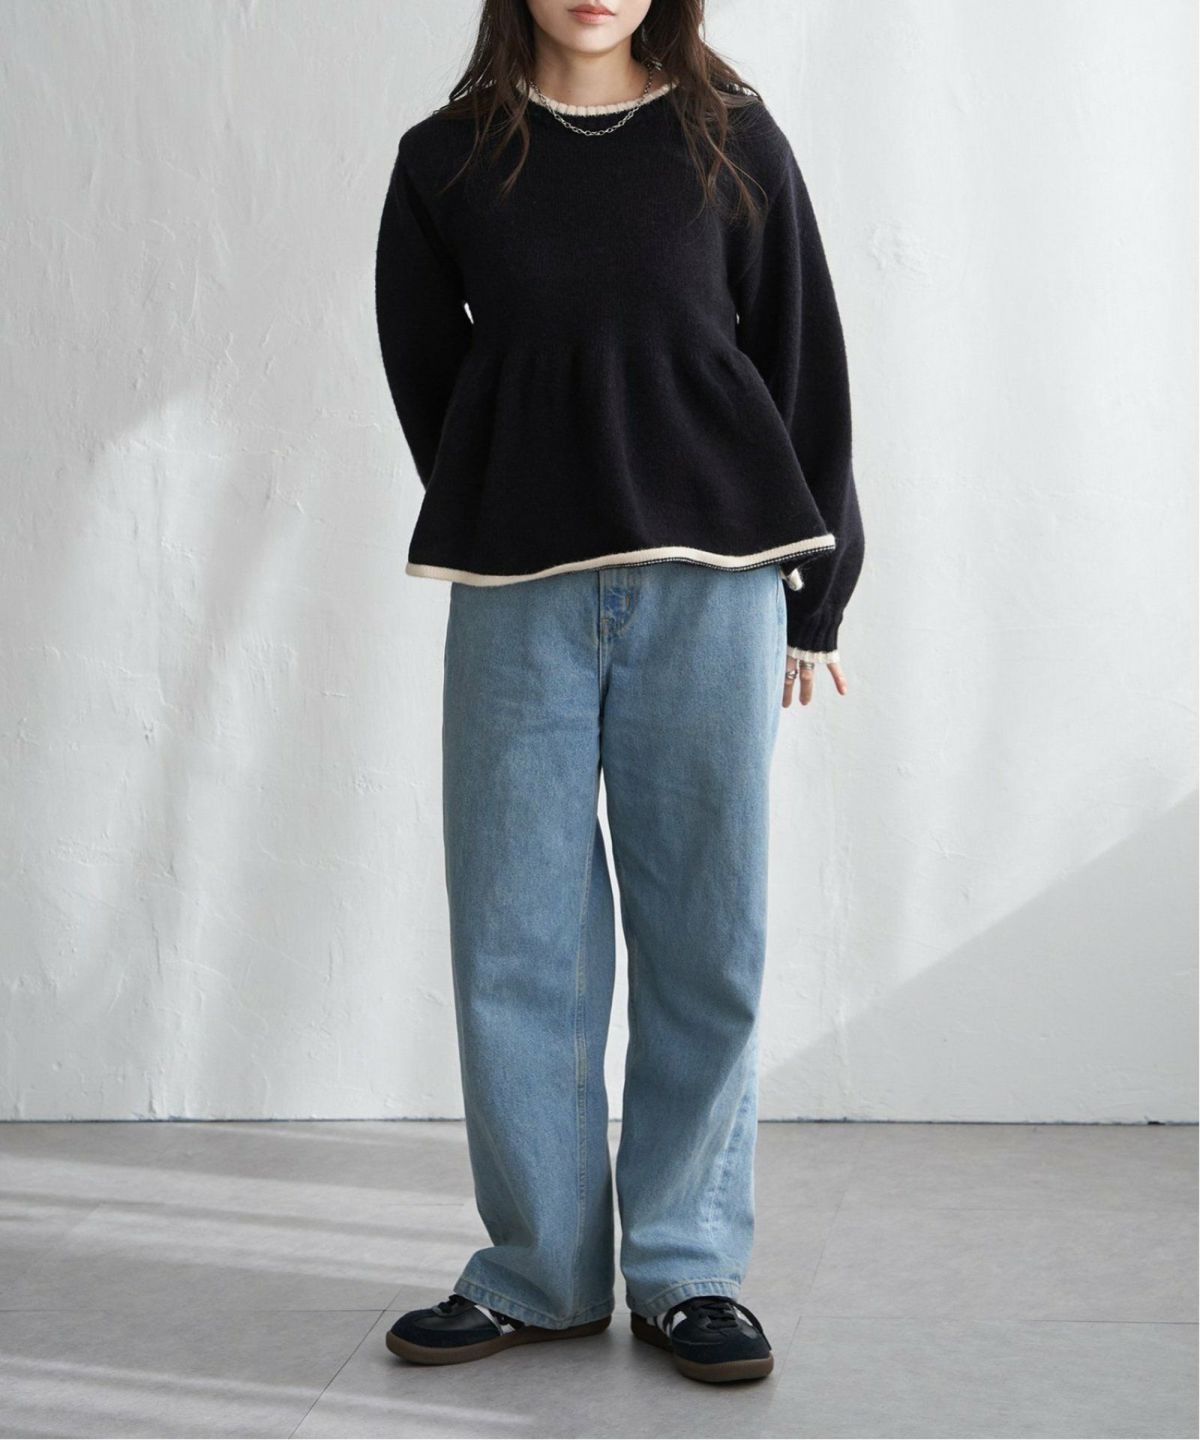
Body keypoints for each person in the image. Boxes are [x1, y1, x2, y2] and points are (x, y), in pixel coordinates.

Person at [373, 0, 865, 1386]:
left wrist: (820, 588)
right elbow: (428, 376)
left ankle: (688, 1268)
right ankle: (540, 1273)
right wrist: (509, 488)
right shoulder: (446, 159)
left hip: (713, 581)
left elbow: (803, 359)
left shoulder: (732, 140)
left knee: (707, 932)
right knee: (515, 934)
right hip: (515, 590)